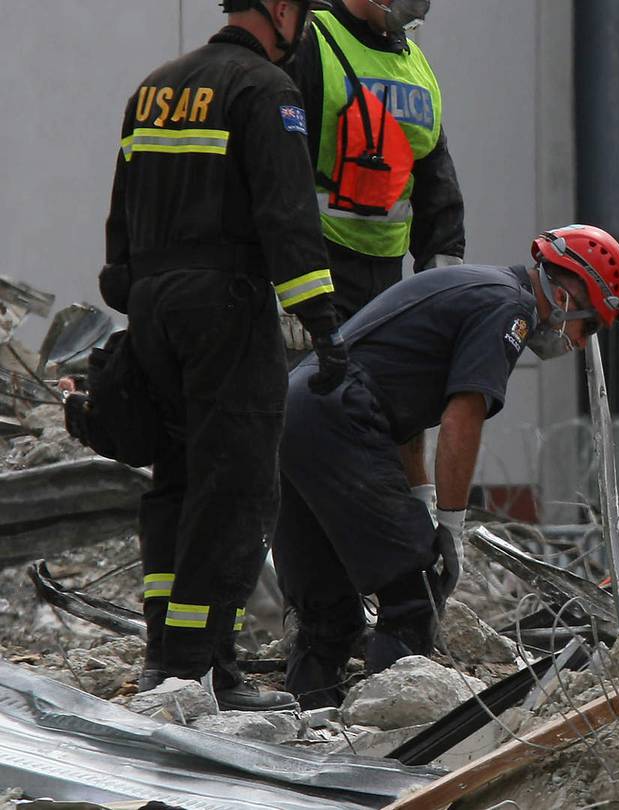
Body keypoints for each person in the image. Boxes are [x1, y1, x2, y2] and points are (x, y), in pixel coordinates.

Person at [272, 225, 619, 709]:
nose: (577, 341)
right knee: (414, 591)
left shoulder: (480, 287)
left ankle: (309, 727)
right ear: (570, 294)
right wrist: (450, 525)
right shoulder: (511, 308)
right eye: (588, 326)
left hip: (296, 412)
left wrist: (420, 496)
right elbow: (462, 417)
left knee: (327, 612)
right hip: (338, 417)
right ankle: (397, 732)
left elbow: (401, 407)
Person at [100, 0, 348, 710]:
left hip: (152, 304)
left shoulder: (154, 88)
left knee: (176, 479)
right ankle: (199, 669)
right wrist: (322, 324)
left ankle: (166, 660)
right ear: (278, 8)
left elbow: (121, 224)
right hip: (226, 309)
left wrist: (138, 299)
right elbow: (287, 215)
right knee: (236, 487)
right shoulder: (266, 90)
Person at [287, 0, 464, 321]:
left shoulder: (416, 66)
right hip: (319, 271)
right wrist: (285, 286)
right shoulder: (312, 41)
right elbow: (275, 173)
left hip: (386, 283)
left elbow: (435, 178)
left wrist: (446, 284)